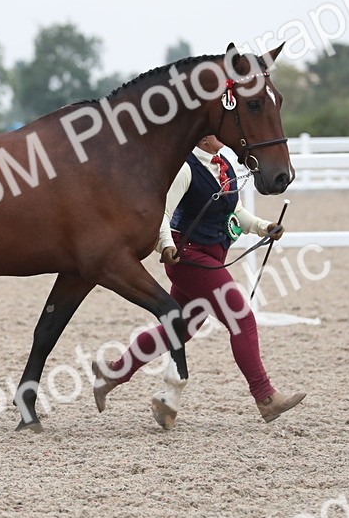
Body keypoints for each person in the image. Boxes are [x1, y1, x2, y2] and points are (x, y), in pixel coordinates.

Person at [92, 134, 306, 428]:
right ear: (204, 138)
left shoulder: (223, 163)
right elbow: (163, 213)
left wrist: (262, 227)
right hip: (189, 258)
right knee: (241, 318)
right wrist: (165, 245)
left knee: (180, 329)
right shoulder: (185, 168)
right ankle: (265, 397)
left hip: (212, 255)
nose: (224, 136)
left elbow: (234, 210)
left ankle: (115, 372)